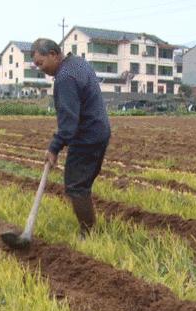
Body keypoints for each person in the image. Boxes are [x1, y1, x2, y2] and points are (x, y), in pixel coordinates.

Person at [29, 38, 111, 240]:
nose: (40, 68)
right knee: (82, 184)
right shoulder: (78, 63)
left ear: (54, 55)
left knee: (76, 186)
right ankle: (89, 227)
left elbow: (69, 122)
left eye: (41, 63)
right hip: (99, 131)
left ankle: (88, 234)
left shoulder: (65, 77)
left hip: (87, 136)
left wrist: (54, 147)